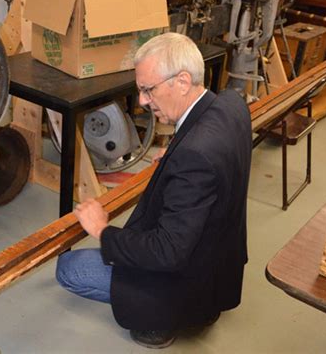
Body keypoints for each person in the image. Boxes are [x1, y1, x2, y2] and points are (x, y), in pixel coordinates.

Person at [56, 32, 252, 349]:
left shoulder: (196, 155)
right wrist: (176, 151)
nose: (144, 101)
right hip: (220, 269)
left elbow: (166, 252)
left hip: (188, 284)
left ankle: (162, 322)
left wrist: (103, 231)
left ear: (183, 81)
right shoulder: (231, 104)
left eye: (149, 90)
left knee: (68, 269)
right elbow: (215, 159)